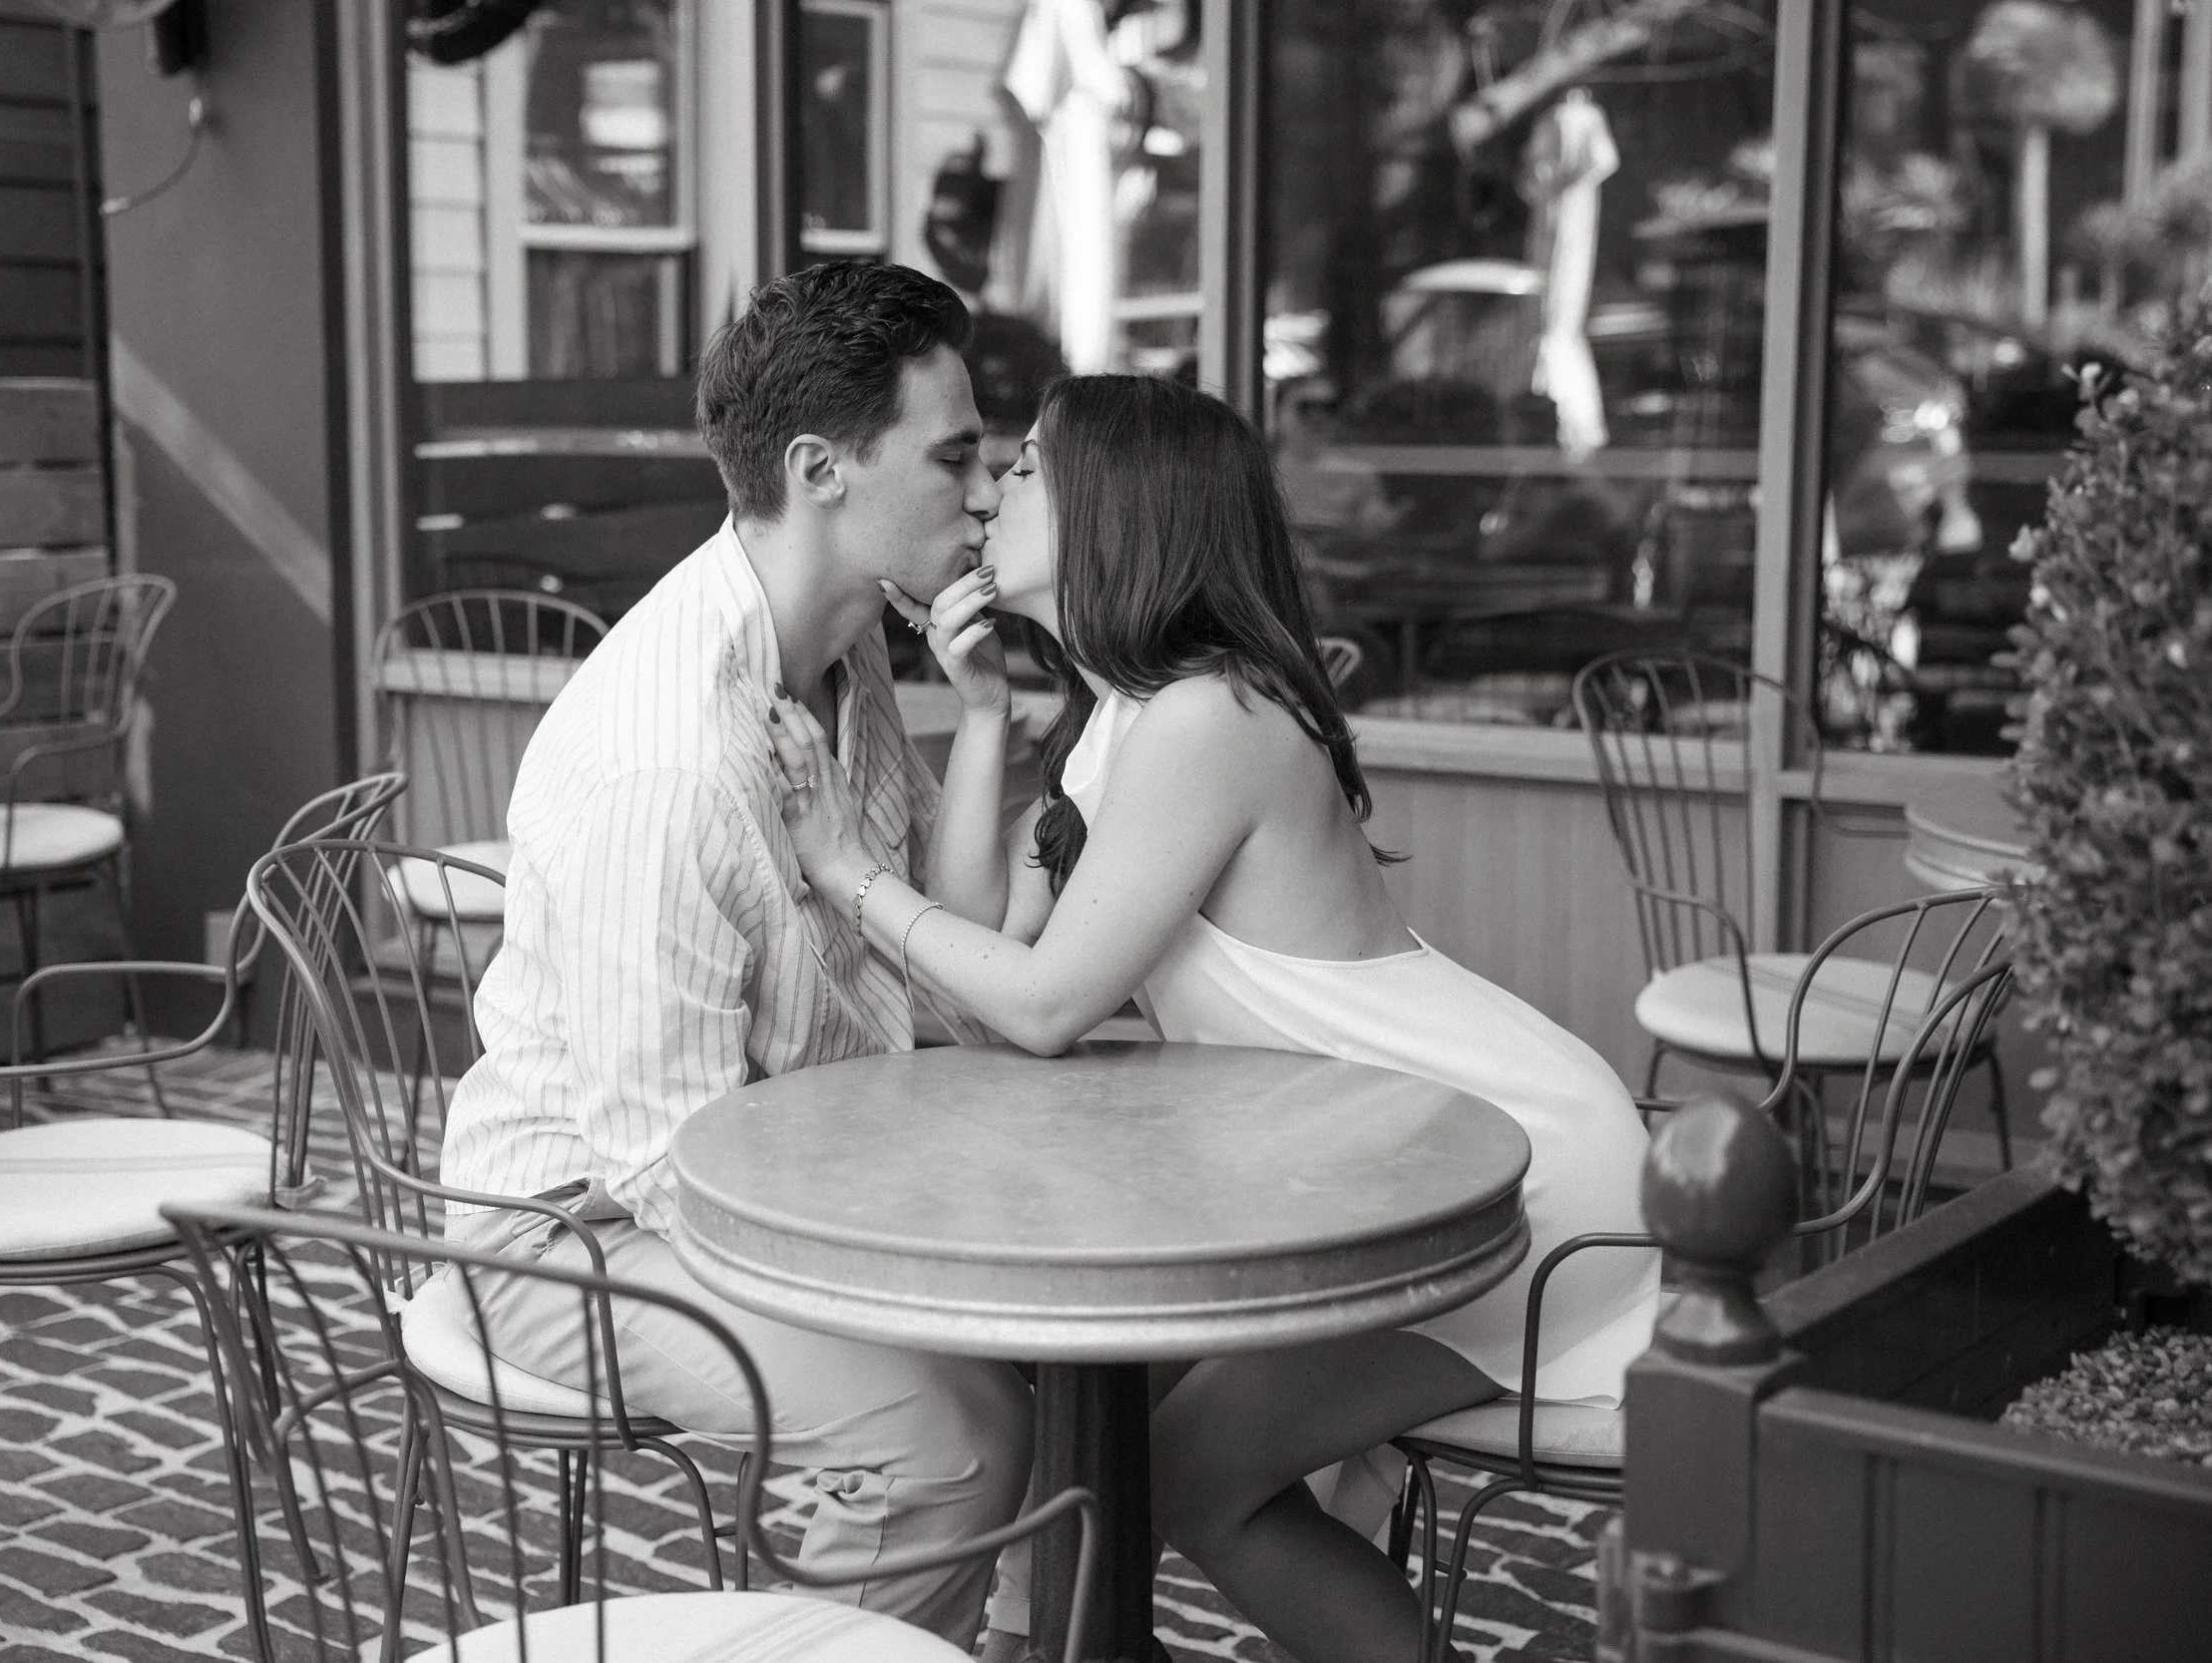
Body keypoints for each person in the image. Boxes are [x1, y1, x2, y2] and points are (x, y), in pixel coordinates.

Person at [766, 373, 1660, 1663]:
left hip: (1519, 1176)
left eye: (1024, 466)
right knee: (1128, 1439)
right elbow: (982, 963)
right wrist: (973, 709)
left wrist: (844, 865)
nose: (988, 491)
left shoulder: (1210, 716)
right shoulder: (1122, 720)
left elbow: (1043, 1004)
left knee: (1174, 1476)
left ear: (1116, 504)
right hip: (1389, 1157)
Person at [428, 260, 1036, 1649]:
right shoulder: (673, 766)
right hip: (573, 1233)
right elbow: (661, 1160)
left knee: (1075, 1350)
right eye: (955, 460)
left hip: (785, 1163)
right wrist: (910, 1255)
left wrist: (986, 715)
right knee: (955, 1436)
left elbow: (941, 961)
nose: (990, 493)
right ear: (823, 468)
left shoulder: (853, 648)